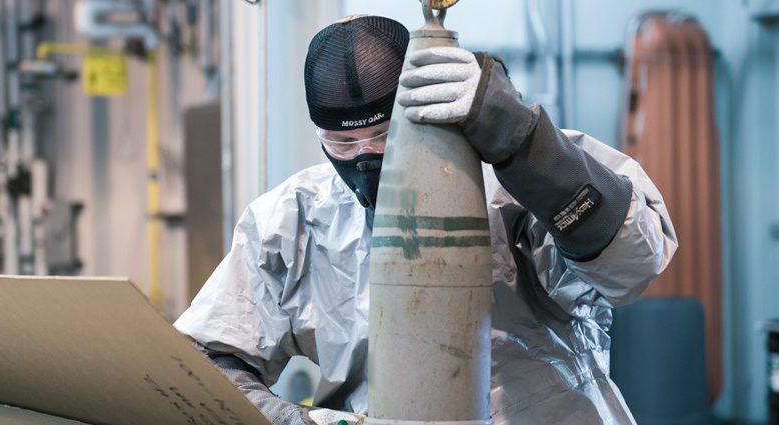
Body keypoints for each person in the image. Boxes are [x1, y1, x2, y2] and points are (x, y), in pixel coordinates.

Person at [174, 15, 677, 425]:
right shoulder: (293, 218)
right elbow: (204, 362)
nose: (366, 155)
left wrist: (525, 146)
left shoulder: (522, 175)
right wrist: (298, 422)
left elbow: (634, 266)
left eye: (384, 133)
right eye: (343, 143)